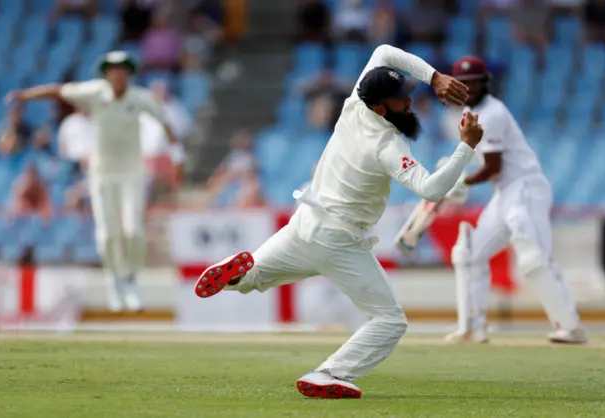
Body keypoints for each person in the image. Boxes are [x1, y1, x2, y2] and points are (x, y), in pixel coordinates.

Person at [194, 44, 479, 399]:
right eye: (399, 99)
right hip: (340, 240)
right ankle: (330, 373)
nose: (408, 102)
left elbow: (383, 51)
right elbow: (432, 189)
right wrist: (466, 147)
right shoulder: (386, 145)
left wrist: (433, 78)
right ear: (379, 107)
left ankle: (230, 269)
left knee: (251, 279)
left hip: (304, 225)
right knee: (390, 321)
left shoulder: (354, 104)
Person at [5, 51, 185, 313]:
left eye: (123, 68)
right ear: (106, 73)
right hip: (101, 174)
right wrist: (25, 95)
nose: (118, 73)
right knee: (107, 236)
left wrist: (177, 159)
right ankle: (115, 282)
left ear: (129, 73)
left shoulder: (141, 98)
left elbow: (166, 126)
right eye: (112, 69)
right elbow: (58, 91)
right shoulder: (94, 92)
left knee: (133, 232)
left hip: (132, 173)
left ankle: (130, 279)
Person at [443, 56, 587, 345]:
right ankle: (472, 327)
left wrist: (461, 181)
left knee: (533, 259)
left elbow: (493, 167)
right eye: (463, 84)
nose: (468, 89)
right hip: (505, 191)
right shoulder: (469, 111)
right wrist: (452, 172)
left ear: (485, 82)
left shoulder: (493, 113)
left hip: (526, 188)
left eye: (474, 83)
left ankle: (569, 327)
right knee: (469, 253)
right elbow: (481, 161)